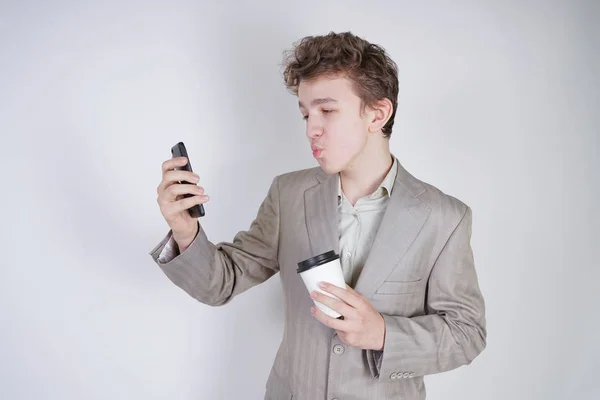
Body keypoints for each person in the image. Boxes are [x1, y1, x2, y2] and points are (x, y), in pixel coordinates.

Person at [149, 31, 486, 400]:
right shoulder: (289, 194)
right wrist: (184, 229)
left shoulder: (444, 217)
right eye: (306, 113)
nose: (312, 128)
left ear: (377, 113)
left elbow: (466, 334)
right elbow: (220, 283)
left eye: (327, 110)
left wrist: (383, 334)